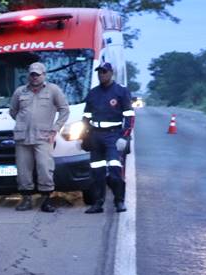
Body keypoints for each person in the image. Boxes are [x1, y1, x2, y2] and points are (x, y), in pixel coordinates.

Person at [9, 62, 70, 212]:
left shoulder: (53, 90)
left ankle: (46, 201)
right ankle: (26, 200)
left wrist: (54, 129)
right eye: (32, 74)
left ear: (44, 75)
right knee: (23, 171)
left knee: (44, 168)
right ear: (29, 75)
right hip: (22, 138)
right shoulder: (20, 92)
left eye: (38, 74)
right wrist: (24, 123)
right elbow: (13, 111)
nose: (35, 77)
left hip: (44, 137)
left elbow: (64, 110)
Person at [81, 62, 136, 213]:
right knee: (97, 173)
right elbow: (86, 116)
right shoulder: (93, 93)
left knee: (114, 171)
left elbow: (129, 116)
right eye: (99, 72)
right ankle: (98, 203)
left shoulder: (121, 92)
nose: (101, 74)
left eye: (104, 72)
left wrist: (124, 136)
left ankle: (119, 201)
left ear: (111, 73)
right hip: (96, 136)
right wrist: (85, 135)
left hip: (114, 136)